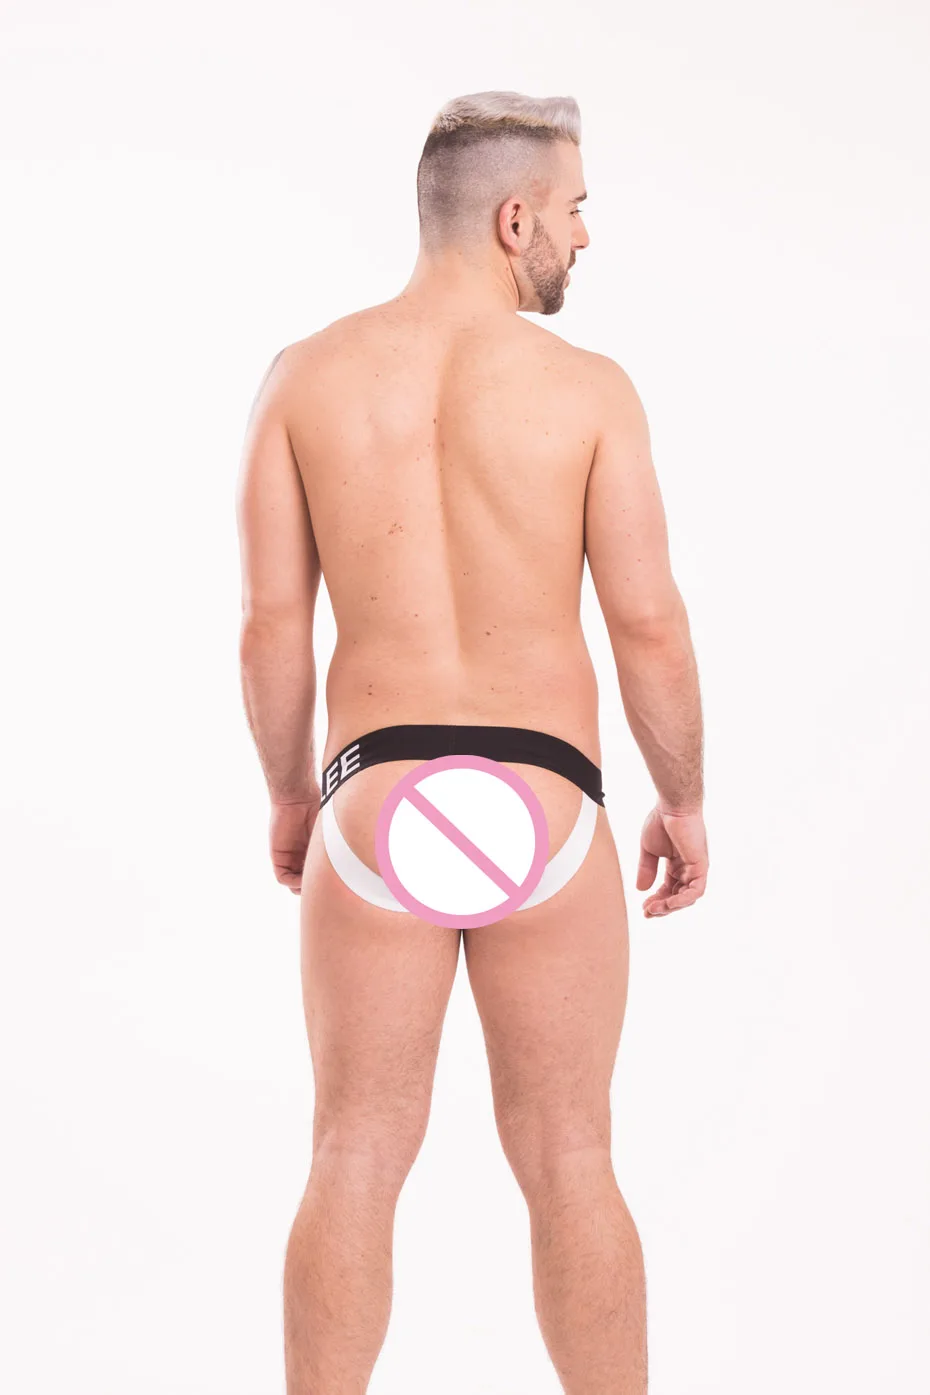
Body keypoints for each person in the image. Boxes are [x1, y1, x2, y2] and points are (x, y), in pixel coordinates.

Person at [236, 89, 708, 1395]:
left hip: (372, 793)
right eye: (572, 210)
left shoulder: (306, 376)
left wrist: (289, 795)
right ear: (513, 220)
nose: (582, 236)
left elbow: (270, 624)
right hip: (545, 799)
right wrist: (682, 798)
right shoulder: (588, 392)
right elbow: (648, 625)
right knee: (571, 1156)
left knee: (351, 1152)